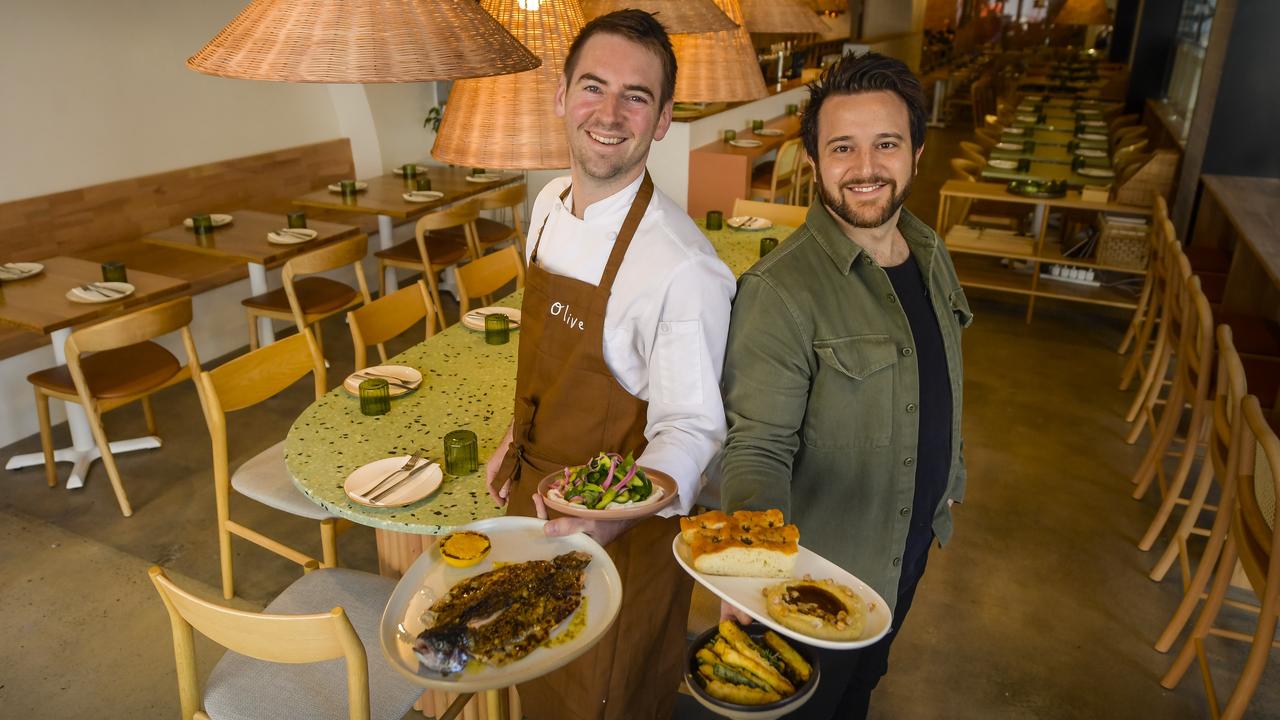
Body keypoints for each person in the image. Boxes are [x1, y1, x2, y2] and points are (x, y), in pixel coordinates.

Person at [483, 10, 736, 720]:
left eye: (637, 96)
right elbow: (546, 362)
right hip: (527, 504)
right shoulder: (545, 206)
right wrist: (516, 433)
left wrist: (613, 516)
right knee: (527, 675)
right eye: (593, 87)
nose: (610, 113)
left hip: (615, 537)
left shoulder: (684, 268)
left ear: (662, 120)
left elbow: (692, 428)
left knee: (601, 696)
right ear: (560, 97)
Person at [717, 51, 972, 719]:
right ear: (816, 162)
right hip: (818, 577)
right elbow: (757, 447)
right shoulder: (782, 292)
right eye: (842, 147)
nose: (865, 168)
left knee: (860, 692)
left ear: (917, 150)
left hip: (906, 548)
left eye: (886, 143)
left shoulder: (929, 249)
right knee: (804, 708)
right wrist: (748, 563)